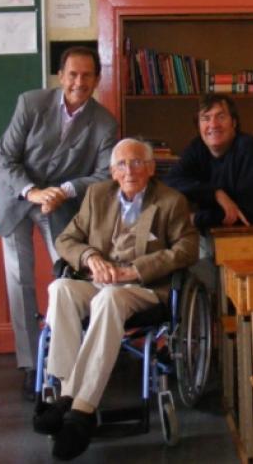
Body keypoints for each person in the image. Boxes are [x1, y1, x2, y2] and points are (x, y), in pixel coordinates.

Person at [34, 138, 199, 460]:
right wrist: (91, 257)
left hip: (142, 289)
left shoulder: (171, 201)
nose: (129, 170)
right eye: (121, 164)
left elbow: (186, 249)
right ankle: (68, 395)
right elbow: (66, 239)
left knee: (109, 299)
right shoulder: (97, 196)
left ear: (151, 168)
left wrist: (135, 270)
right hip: (97, 282)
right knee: (60, 289)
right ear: (111, 171)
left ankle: (81, 408)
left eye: (137, 162)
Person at [0, 46, 118, 398]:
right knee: (20, 281)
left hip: (60, 207)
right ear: (60, 76)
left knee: (65, 275)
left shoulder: (105, 122)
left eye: (87, 76)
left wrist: (62, 191)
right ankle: (31, 364)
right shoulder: (31, 103)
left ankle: (63, 362)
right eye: (73, 75)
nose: (79, 82)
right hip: (17, 198)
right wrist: (33, 191)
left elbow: (106, 175)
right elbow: (4, 158)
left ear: (97, 79)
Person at [164, 94, 253, 289]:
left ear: (234, 122)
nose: (213, 124)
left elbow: (247, 214)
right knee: (172, 261)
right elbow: (170, 183)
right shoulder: (198, 148)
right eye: (205, 118)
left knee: (189, 273)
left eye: (221, 116)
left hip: (251, 244)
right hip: (212, 236)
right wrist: (215, 193)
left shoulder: (249, 148)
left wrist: (196, 219)